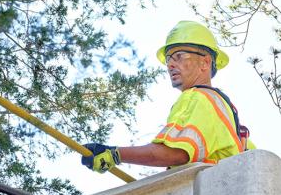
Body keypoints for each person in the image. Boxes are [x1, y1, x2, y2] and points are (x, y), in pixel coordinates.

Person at [81, 21, 255, 174]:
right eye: (168, 59)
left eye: (179, 56)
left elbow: (175, 153)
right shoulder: (228, 119)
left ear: (205, 62)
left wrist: (115, 154)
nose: (170, 64)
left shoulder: (198, 97)